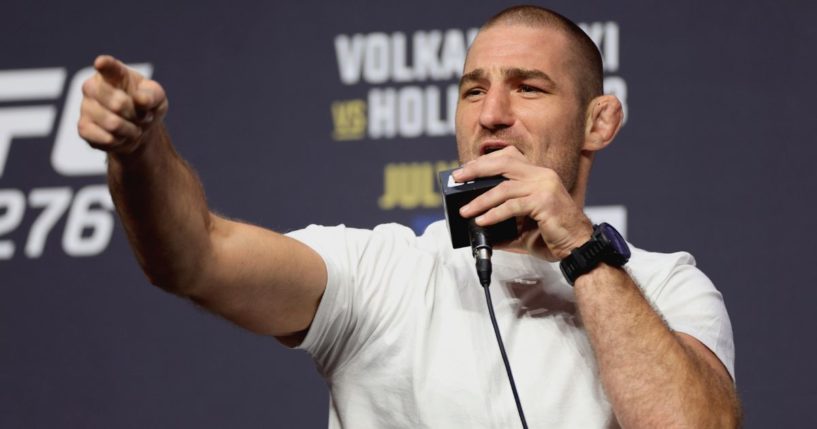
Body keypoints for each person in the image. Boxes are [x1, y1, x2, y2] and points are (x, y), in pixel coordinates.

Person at [77, 5, 740, 428]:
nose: (490, 114)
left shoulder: (665, 285)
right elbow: (196, 256)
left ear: (599, 121)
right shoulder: (381, 270)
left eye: (527, 87)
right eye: (473, 90)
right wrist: (139, 153)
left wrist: (578, 246)